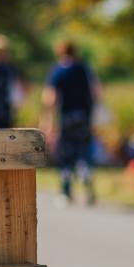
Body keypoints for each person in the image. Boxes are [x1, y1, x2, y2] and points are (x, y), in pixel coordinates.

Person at [41, 40, 98, 205]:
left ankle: (66, 192)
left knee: (65, 155)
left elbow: (50, 98)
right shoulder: (83, 68)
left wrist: (48, 121)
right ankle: (86, 181)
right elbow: (96, 92)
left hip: (66, 118)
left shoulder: (57, 71)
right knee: (83, 153)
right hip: (83, 117)